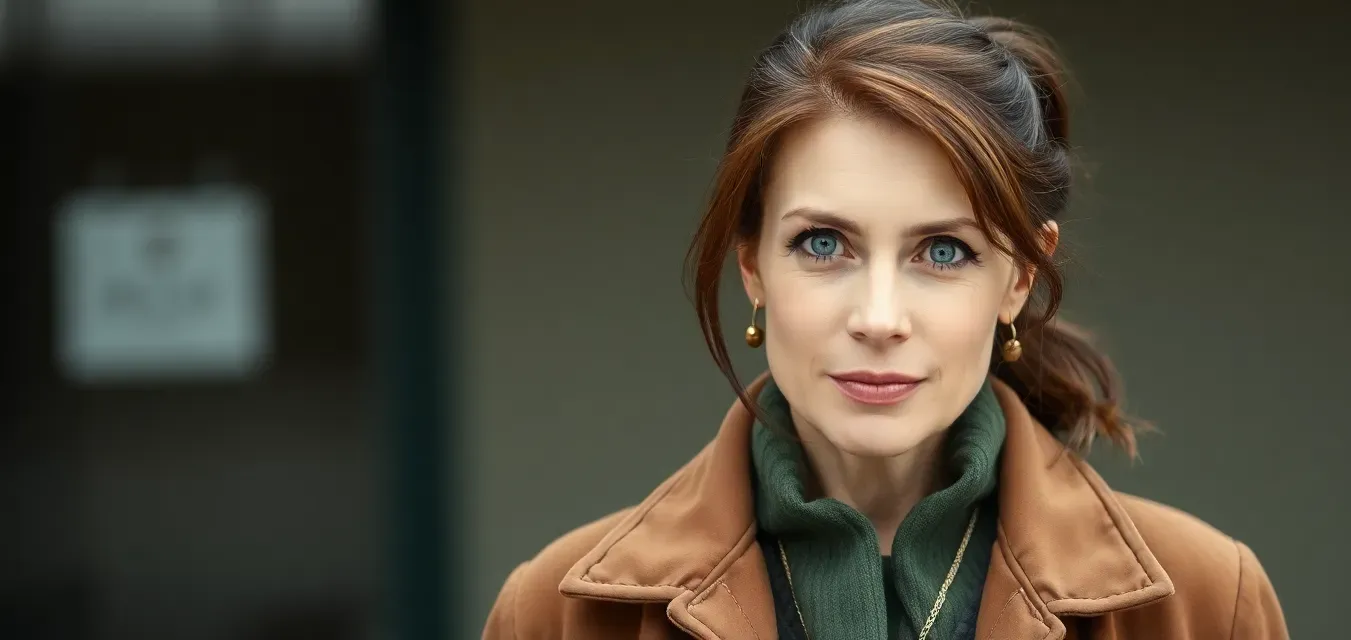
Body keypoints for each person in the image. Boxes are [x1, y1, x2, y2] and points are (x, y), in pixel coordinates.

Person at [482, 0, 1289, 638]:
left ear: (1019, 277)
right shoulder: (560, 616)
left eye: (943, 252)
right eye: (823, 243)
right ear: (754, 264)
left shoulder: (1205, 606)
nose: (877, 317)